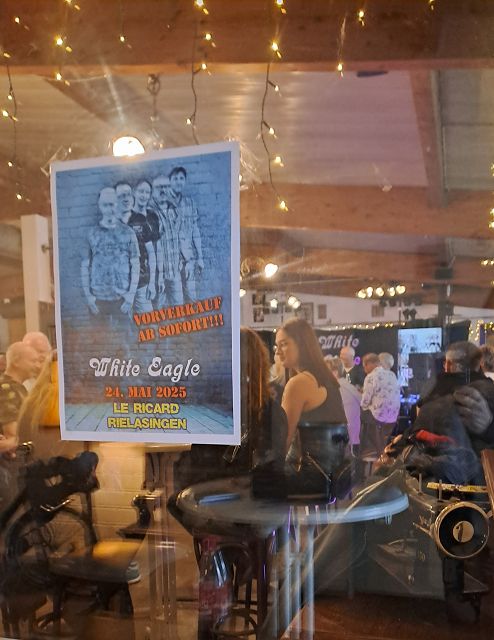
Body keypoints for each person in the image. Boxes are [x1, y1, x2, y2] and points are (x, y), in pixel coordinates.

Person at [173, 327, 287, 489]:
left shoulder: (215, 410)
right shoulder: (270, 411)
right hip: (249, 495)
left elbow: (198, 467)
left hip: (216, 493)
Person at [275, 318, 347, 462]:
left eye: (283, 344)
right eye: (276, 346)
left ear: (301, 344)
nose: (277, 352)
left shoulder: (299, 383)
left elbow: (282, 442)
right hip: (334, 469)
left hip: (309, 472)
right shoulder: (325, 378)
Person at [80, 187, 140, 321]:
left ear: (117, 204)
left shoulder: (128, 232)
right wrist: (89, 297)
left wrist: (130, 296)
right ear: (99, 206)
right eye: (105, 205)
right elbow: (84, 266)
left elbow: (136, 265)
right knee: (98, 334)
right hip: (98, 299)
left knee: (125, 334)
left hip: (122, 299)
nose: (109, 209)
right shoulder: (91, 234)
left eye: (112, 205)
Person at [0, 342, 39, 508]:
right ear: (16, 361)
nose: (37, 366)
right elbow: (14, 436)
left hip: (13, 462)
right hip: (10, 465)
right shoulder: (8, 389)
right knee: (14, 513)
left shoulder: (17, 387)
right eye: (32, 361)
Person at [115, 181, 157, 314]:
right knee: (123, 326)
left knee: (149, 323)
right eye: (121, 195)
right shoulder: (111, 223)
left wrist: (152, 283)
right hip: (119, 289)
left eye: (128, 194)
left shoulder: (140, 219)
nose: (126, 198)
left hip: (141, 284)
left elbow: (151, 253)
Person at [168, 166, 204, 303]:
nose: (178, 181)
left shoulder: (190, 203)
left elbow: (195, 229)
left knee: (192, 297)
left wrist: (200, 257)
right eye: (175, 178)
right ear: (170, 181)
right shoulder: (164, 203)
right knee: (177, 302)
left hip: (188, 258)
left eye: (181, 178)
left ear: (185, 181)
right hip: (171, 260)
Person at [360, 352, 401, 458]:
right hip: (394, 416)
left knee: (359, 414)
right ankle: (381, 450)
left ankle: (362, 450)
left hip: (379, 417)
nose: (364, 369)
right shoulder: (392, 375)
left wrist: (362, 405)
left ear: (370, 364)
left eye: (364, 366)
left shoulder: (370, 377)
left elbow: (365, 402)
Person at [151, 174, 182, 307]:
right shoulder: (149, 212)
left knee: (179, 310)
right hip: (157, 275)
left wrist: (181, 260)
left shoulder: (175, 210)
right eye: (159, 187)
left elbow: (179, 238)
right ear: (153, 190)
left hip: (175, 271)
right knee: (159, 312)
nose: (163, 190)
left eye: (166, 186)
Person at [325, 356, 362, 455]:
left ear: (335, 372)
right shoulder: (348, 385)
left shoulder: (335, 388)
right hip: (351, 433)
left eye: (325, 370)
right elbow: (361, 401)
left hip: (342, 434)